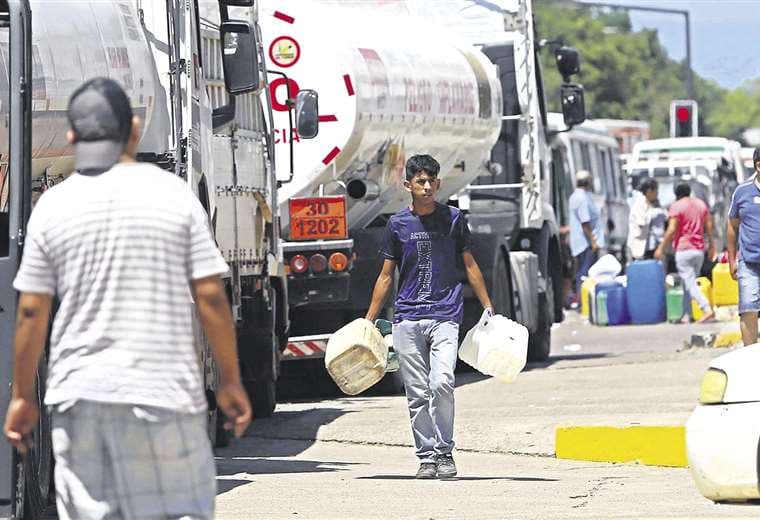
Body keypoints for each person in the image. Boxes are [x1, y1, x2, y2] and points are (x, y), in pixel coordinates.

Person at [3, 78, 252, 519]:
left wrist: (22, 396)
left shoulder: (53, 207)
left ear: (72, 138)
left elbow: (30, 309)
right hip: (165, 397)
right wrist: (230, 380)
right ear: (134, 131)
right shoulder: (174, 197)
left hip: (83, 399)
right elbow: (211, 296)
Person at [365, 154, 493, 480]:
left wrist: (489, 308)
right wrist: (368, 321)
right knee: (417, 393)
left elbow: (470, 264)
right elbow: (384, 276)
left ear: (438, 183)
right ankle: (426, 457)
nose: (426, 187)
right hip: (407, 317)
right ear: (407, 185)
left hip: (445, 315)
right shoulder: (397, 225)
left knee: (443, 382)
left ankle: (445, 451)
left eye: (431, 181)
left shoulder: (452, 219)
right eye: (419, 181)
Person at [655, 181, 715, 323]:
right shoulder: (700, 204)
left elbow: (671, 229)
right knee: (689, 282)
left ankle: (707, 309)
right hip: (699, 250)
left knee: (689, 283)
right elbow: (709, 226)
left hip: (684, 250)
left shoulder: (676, 206)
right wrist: (712, 245)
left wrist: (661, 247)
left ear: (676, 194)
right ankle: (686, 315)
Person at [727, 147, 760, 345]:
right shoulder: (742, 192)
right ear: (758, 165)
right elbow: (732, 226)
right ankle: (750, 358)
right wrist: (732, 260)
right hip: (748, 263)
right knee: (749, 309)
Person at [568, 170, 604, 297]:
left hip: (579, 241)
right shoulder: (582, 198)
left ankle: (582, 299)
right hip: (585, 242)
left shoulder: (575, 196)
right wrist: (593, 240)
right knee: (586, 273)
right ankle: (584, 301)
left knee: (582, 271)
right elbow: (585, 222)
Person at [627, 178, 667, 260]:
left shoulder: (653, 204)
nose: (657, 194)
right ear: (649, 191)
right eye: (656, 191)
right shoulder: (639, 204)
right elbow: (641, 223)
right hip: (641, 248)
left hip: (652, 246)